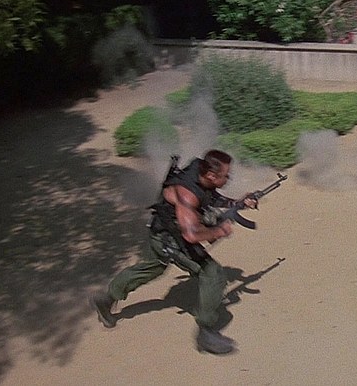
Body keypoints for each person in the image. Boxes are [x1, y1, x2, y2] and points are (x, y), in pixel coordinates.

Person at [91, 150, 257, 355]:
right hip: (172, 240)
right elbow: (191, 235)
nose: (228, 178)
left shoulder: (200, 171)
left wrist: (237, 203)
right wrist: (219, 231)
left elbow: (209, 196)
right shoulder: (186, 193)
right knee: (213, 274)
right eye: (226, 175)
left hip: (161, 231)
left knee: (151, 268)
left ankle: (105, 300)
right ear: (211, 175)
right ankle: (206, 333)